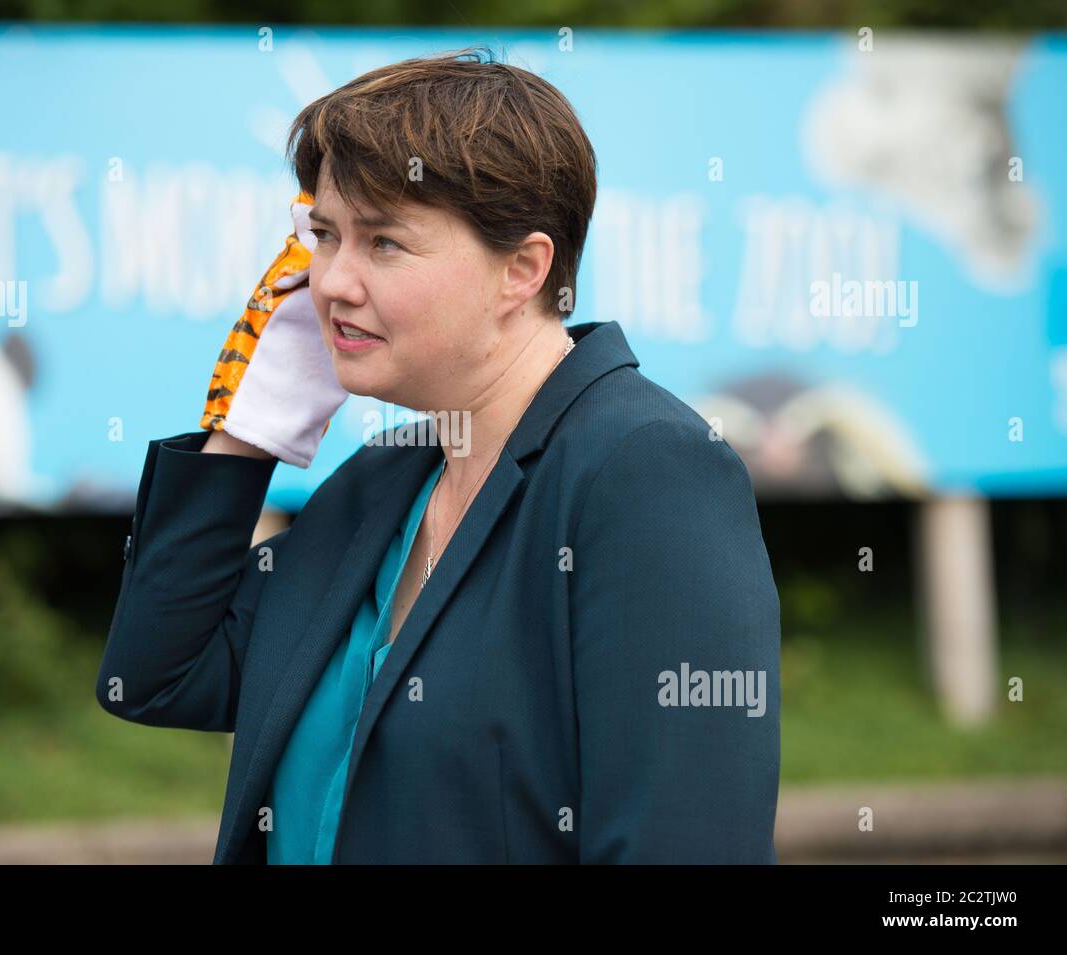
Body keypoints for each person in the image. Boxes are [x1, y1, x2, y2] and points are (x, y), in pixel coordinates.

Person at [96, 47, 781, 864]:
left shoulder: (644, 469)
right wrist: (247, 433)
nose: (330, 282)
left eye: (383, 243)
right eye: (324, 234)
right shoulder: (386, 481)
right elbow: (155, 676)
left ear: (522, 270)